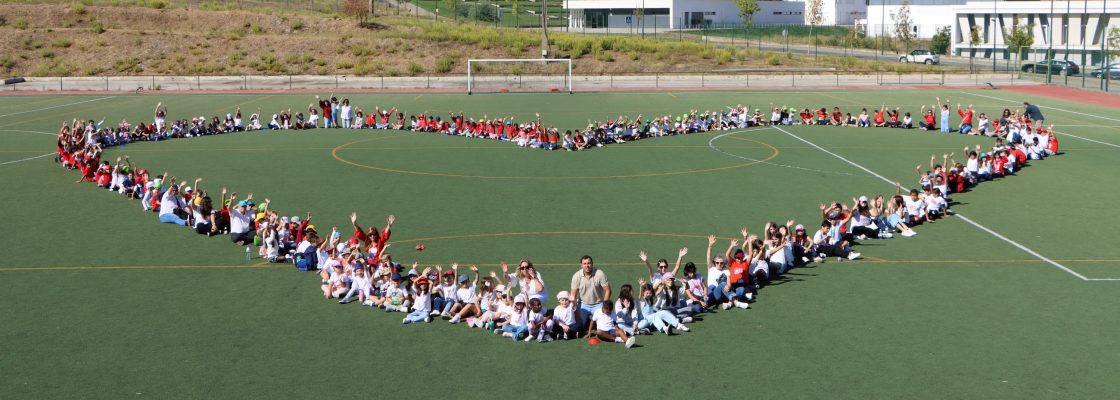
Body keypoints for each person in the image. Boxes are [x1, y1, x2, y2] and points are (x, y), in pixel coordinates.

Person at [570, 255, 610, 328]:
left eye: (589, 263)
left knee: (604, 326)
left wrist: (605, 305)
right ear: (581, 265)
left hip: (598, 304)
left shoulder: (599, 273)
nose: (587, 266)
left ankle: (594, 321)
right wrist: (573, 307)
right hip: (583, 305)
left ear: (592, 264)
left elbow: (607, 290)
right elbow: (573, 294)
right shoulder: (576, 276)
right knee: (581, 326)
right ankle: (588, 321)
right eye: (584, 264)